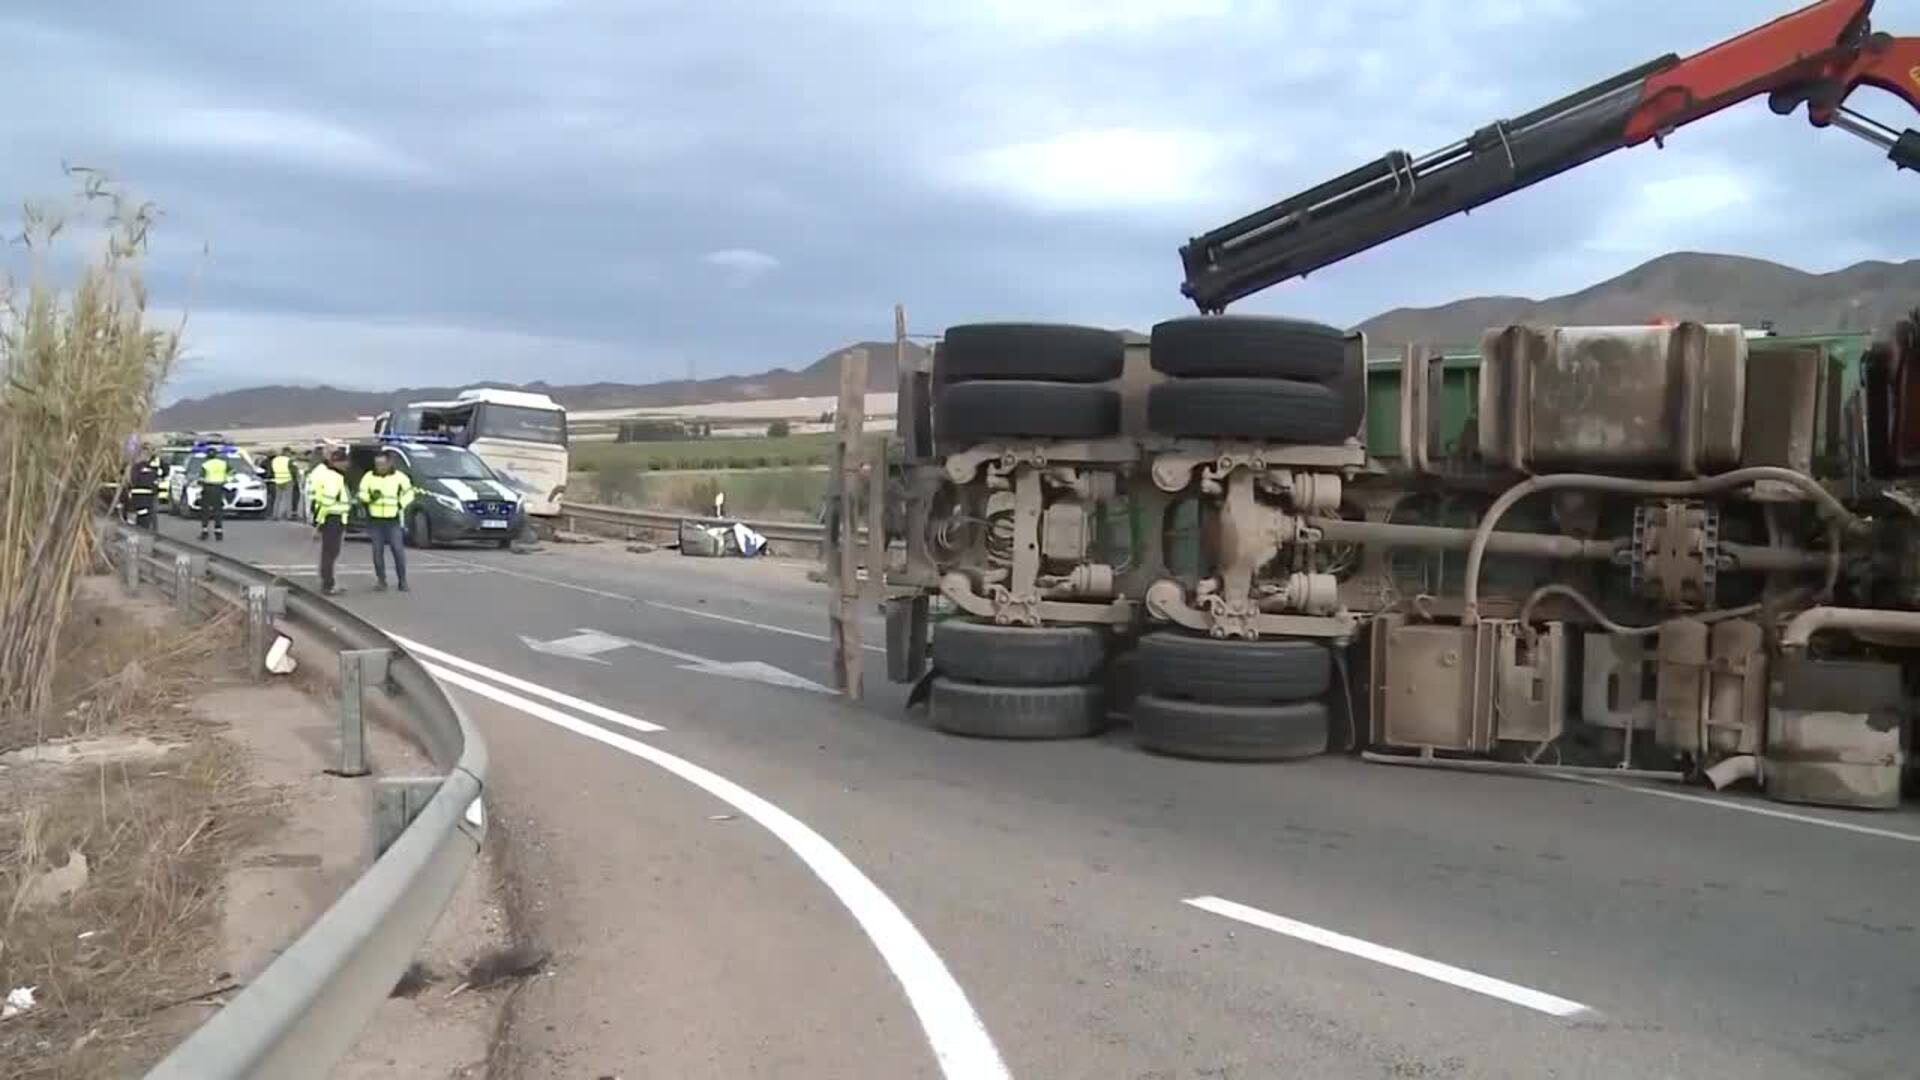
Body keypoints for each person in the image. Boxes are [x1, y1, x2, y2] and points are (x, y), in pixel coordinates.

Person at [357, 449, 415, 592]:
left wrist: (400, 504)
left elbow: (409, 493)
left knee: (398, 550)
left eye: (382, 464)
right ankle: (381, 581)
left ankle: (402, 581)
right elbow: (362, 493)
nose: (380, 467)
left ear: (389, 463)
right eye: (377, 464)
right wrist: (370, 498)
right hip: (375, 519)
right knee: (377, 552)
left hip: (392, 519)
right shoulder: (369, 477)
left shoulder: (399, 477)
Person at [307, 447, 352, 595]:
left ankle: (328, 581)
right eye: (345, 462)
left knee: (329, 552)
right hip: (333, 518)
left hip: (334, 517)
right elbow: (327, 502)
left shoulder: (329, 475)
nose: (347, 465)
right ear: (338, 463)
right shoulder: (334, 478)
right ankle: (328, 584)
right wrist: (320, 525)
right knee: (330, 553)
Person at [124, 445, 163, 531]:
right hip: (147, 498)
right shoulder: (151, 467)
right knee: (146, 519)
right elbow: (156, 480)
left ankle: (134, 536)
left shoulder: (133, 467)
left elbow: (129, 480)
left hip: (135, 497)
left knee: (134, 518)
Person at [197, 449, 231, 541]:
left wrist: (199, 482)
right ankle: (219, 532)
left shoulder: (205, 465)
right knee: (218, 510)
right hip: (219, 488)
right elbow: (232, 472)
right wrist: (227, 480)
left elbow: (201, 478)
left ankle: (205, 531)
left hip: (208, 488)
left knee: (205, 511)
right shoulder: (223, 463)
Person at [267, 447, 294, 520]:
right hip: (287, 480)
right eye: (290, 453)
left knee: (277, 499)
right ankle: (288, 515)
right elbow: (292, 471)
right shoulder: (288, 460)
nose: (290, 454)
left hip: (278, 480)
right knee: (287, 499)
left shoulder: (275, 460)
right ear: (287, 452)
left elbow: (271, 470)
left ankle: (275, 515)